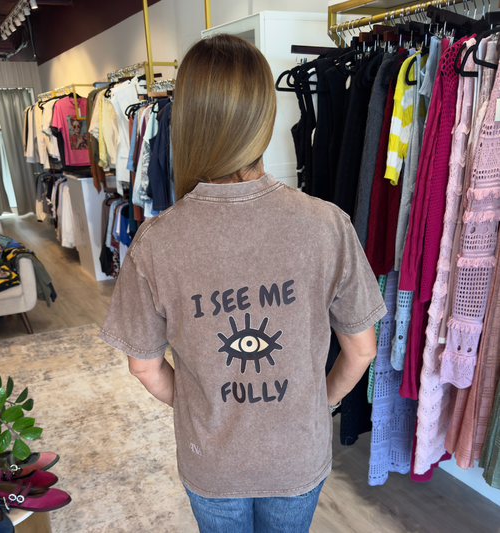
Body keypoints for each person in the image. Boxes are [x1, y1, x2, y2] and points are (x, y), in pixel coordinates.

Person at [100, 34, 386, 533]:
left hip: (210, 459)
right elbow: (361, 350)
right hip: (297, 453)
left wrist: (197, 406)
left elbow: (143, 366)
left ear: (186, 120)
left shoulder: (156, 242)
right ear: (263, 117)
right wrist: (320, 402)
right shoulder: (326, 225)